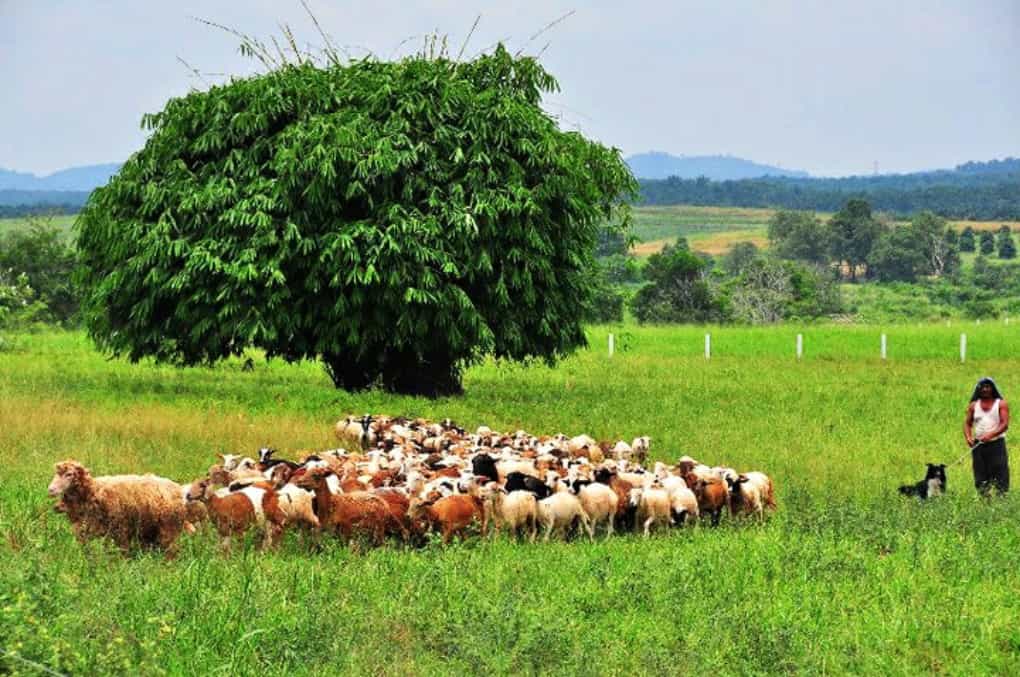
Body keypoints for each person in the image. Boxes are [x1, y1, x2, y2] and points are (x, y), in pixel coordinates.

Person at [963, 377, 1010, 495]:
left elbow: (1004, 424)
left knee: (1000, 472)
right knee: (980, 474)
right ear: (978, 389)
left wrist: (991, 435)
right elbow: (967, 424)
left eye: (988, 387)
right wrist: (968, 437)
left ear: (993, 389)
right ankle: (985, 499)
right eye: (982, 387)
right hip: (978, 446)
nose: (985, 390)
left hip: (996, 444)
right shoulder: (973, 406)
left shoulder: (1001, 404)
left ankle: (1001, 498)